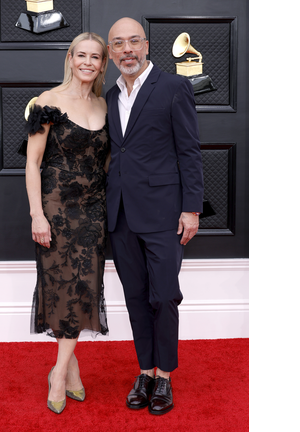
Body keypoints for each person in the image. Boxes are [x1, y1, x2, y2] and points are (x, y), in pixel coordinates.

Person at [105, 17, 204, 416]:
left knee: (163, 296)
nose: (127, 49)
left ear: (145, 45)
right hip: (122, 214)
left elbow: (190, 151)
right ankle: (144, 372)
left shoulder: (175, 87)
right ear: (111, 53)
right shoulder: (110, 95)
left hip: (165, 213)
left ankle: (164, 376)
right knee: (134, 298)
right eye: (118, 44)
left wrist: (192, 208)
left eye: (133, 41)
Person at [23, 32, 110, 415]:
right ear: (70, 58)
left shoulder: (107, 105)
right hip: (55, 206)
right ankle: (63, 374)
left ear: (102, 63)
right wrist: (36, 214)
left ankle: (62, 368)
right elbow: (32, 162)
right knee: (59, 287)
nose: (88, 62)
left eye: (95, 57)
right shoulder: (48, 102)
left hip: (94, 209)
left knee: (84, 285)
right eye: (82, 55)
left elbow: (108, 162)